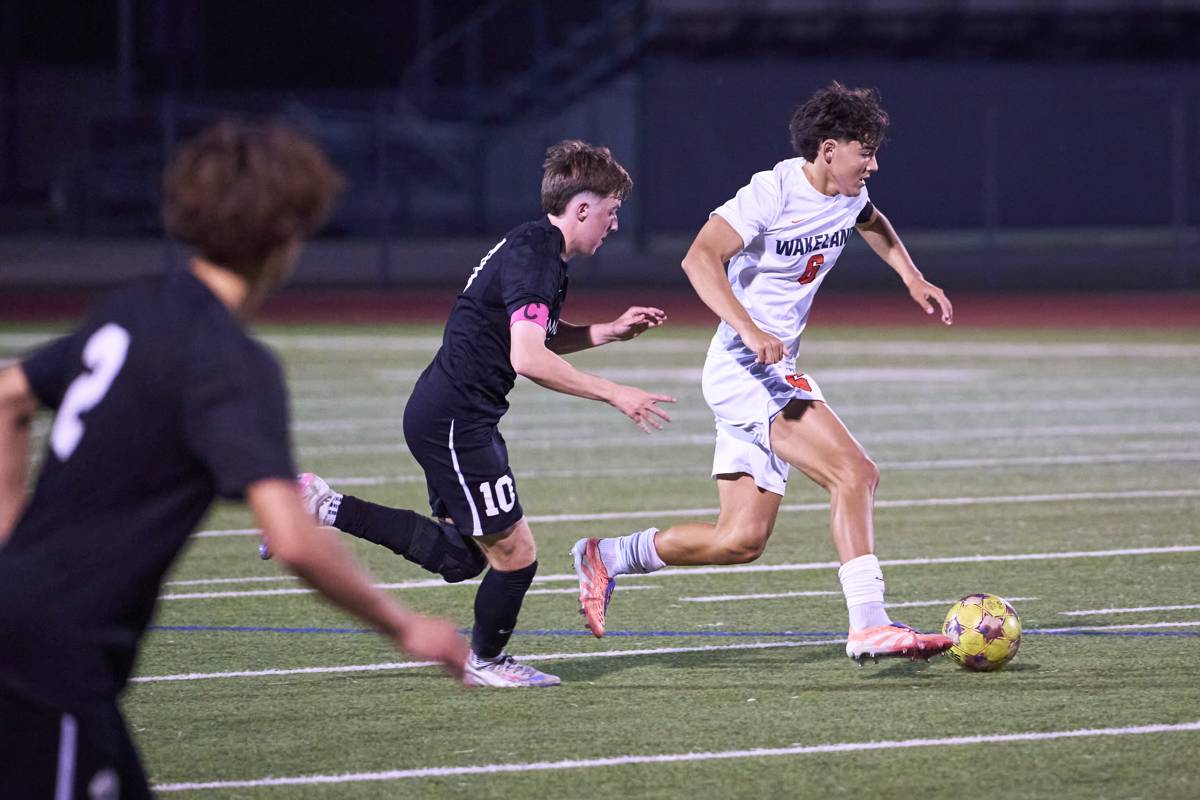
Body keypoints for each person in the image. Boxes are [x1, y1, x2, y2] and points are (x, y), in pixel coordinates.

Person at [0, 121, 468, 799]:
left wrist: (13, 546)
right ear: (288, 237)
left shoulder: (133, 306)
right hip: (50, 661)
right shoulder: (231, 362)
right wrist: (406, 625)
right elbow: (291, 538)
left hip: (35, 637)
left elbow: (9, 395)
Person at [573, 81, 956, 664]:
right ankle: (870, 624)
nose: (874, 163)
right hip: (743, 367)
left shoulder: (850, 195)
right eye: (865, 150)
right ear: (829, 149)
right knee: (855, 473)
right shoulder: (771, 192)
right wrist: (750, 329)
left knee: (740, 541)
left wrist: (910, 275)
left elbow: (874, 222)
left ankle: (607, 556)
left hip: (767, 370)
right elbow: (698, 258)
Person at [296, 140, 674, 687]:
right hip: (455, 420)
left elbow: (534, 337)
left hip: (450, 415)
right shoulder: (537, 253)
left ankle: (322, 505)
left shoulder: (539, 249)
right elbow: (527, 357)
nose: (614, 226)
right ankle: (488, 662)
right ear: (583, 207)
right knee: (517, 556)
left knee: (460, 557)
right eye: (612, 212)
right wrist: (614, 392)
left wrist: (607, 331)